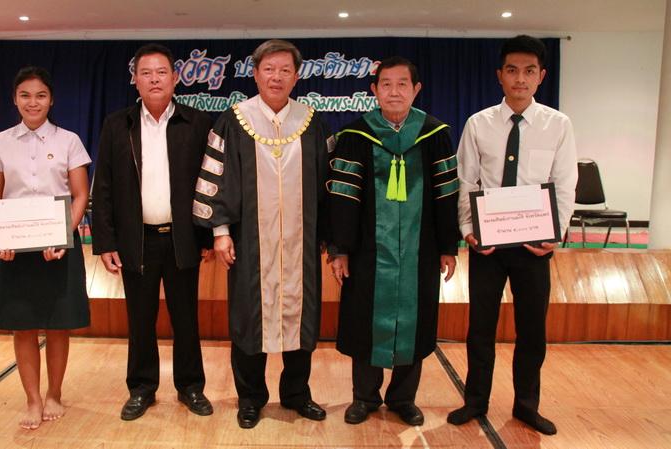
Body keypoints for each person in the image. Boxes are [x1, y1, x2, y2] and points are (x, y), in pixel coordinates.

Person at [192, 39, 332, 429]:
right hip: (250, 244)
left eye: (285, 70)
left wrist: (331, 237)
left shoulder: (311, 122)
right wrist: (220, 232)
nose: (276, 77)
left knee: (301, 319)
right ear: (255, 74)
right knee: (249, 319)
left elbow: (328, 184)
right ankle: (250, 398)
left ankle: (297, 394)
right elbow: (216, 179)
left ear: (297, 76)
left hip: (300, 244)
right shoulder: (234, 120)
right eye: (269, 69)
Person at [449, 35, 577, 435]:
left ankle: (526, 406)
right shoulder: (478, 123)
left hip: (534, 247)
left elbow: (564, 183)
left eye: (529, 71)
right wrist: (468, 230)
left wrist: (555, 233)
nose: (520, 78)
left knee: (532, 331)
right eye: (512, 70)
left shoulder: (558, 125)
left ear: (541, 76)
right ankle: (475, 401)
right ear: (499, 75)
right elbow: (465, 180)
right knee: (480, 329)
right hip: (487, 246)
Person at [328, 56, 459, 426]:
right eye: (386, 84)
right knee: (363, 319)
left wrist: (448, 246)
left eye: (403, 84)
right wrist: (340, 249)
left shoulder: (434, 134)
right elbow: (342, 197)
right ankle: (364, 397)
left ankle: (403, 398)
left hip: (421, 249)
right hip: (367, 250)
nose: (394, 91)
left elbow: (447, 194)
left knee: (415, 321)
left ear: (416, 89)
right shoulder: (356, 135)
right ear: (374, 90)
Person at [92, 43, 214, 421]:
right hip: (137, 240)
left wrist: (208, 236)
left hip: (182, 239)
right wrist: (105, 241)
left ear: (175, 78)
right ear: (135, 80)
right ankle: (142, 388)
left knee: (186, 318)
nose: (155, 79)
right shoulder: (117, 125)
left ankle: (191, 387)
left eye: (162, 72)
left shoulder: (197, 123)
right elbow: (104, 186)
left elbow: (211, 183)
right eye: (146, 73)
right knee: (140, 319)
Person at [0, 66, 91, 430]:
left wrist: (63, 236)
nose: (33, 102)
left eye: (41, 95)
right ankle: (32, 399)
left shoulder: (69, 141)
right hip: (14, 250)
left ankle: (54, 393)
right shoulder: (0, 142)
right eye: (25, 95)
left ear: (51, 100)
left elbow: (80, 195)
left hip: (58, 245)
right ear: (14, 99)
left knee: (59, 325)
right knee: (22, 326)